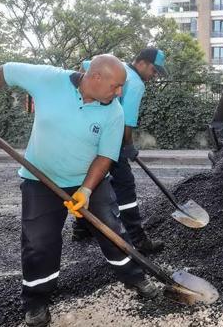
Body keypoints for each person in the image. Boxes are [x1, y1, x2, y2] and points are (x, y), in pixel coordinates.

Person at [0, 55, 159, 327]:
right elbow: (6, 71)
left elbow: (105, 155)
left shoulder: (113, 110)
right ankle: (36, 300)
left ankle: (135, 277)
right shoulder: (49, 79)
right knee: (38, 242)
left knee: (111, 230)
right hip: (41, 181)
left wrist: (85, 190)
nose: (120, 92)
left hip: (89, 180)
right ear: (95, 78)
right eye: (116, 86)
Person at [72, 47, 168, 256]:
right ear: (141, 62)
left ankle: (80, 228)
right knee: (125, 187)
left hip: (90, 136)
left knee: (89, 180)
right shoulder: (134, 83)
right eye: (153, 70)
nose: (154, 76)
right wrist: (127, 147)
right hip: (110, 142)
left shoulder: (113, 68)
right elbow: (126, 123)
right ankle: (137, 239)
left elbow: (85, 66)